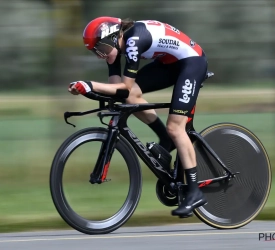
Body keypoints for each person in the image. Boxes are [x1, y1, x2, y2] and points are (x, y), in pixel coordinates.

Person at [68, 16, 208, 217]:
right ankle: (166, 140)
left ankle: (194, 192)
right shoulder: (114, 48)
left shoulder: (133, 41)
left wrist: (89, 84)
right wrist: (85, 90)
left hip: (191, 62)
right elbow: (117, 92)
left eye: (100, 48)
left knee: (176, 127)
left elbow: (123, 87)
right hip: (169, 63)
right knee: (132, 97)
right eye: (95, 51)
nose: (100, 55)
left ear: (112, 36)